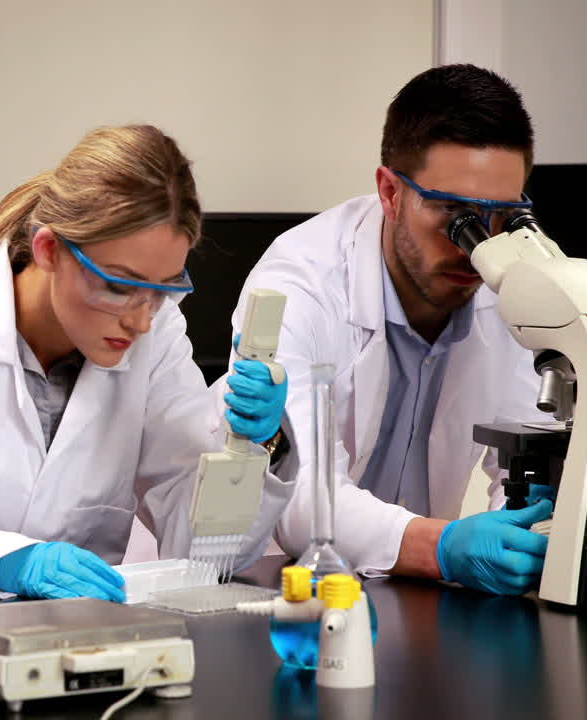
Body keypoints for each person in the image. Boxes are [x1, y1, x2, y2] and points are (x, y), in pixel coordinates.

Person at [0, 125, 293, 600]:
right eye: (119, 287)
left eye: (162, 290)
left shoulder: (156, 340)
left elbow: (209, 554)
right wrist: (5, 562)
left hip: (80, 651)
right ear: (50, 250)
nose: (141, 321)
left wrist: (255, 447)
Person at [222, 64, 554, 596]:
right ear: (390, 192)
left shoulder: (509, 287)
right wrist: (441, 547)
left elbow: (525, 462)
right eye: (454, 213)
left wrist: (527, 536)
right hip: (279, 593)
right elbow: (299, 493)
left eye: (501, 218)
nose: (478, 248)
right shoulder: (301, 282)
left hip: (417, 598)